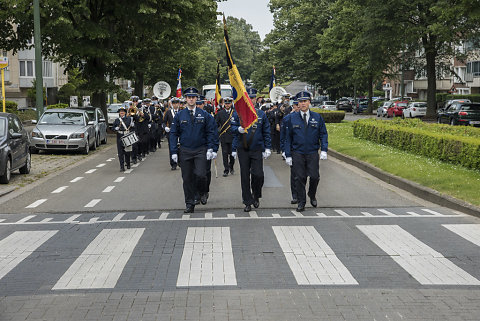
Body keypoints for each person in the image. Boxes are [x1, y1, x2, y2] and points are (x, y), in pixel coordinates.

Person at [169, 87, 218, 213]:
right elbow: (173, 134)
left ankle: (202, 191)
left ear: (196, 98)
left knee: (201, 174)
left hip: (200, 149)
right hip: (185, 150)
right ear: (185, 99)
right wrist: (174, 151)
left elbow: (210, 132)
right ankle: (189, 203)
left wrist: (211, 148)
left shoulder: (204, 115)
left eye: (193, 97)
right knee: (187, 178)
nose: (191, 99)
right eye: (188, 97)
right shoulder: (180, 115)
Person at [284, 91, 328, 212]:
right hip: (297, 152)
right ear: (298, 103)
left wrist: (324, 149)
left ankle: (312, 194)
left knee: (314, 177)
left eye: (305, 101)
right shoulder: (291, 118)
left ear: (309, 102)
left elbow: (323, 134)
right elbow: (287, 138)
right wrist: (287, 154)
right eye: (301, 102)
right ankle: (301, 202)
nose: (303, 104)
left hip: (312, 152)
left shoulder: (317, 117)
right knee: (300, 178)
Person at [231, 89, 272, 212]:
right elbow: (231, 128)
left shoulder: (261, 114)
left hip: (257, 149)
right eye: (249, 98)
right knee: (245, 176)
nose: (251, 100)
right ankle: (247, 201)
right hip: (243, 149)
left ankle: (256, 194)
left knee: (258, 174)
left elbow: (266, 132)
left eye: (253, 98)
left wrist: (268, 147)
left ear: (255, 100)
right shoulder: (238, 113)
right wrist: (238, 129)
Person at [194, 96, 218, 204]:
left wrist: (214, 149)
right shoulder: (188, 116)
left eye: (200, 104)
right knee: (194, 173)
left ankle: (204, 192)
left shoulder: (208, 117)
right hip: (192, 148)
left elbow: (214, 134)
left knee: (205, 173)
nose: (198, 106)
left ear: (203, 104)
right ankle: (196, 194)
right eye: (196, 104)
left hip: (205, 148)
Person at [280, 99, 300, 204]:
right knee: (295, 174)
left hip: (303, 149)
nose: (298, 107)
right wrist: (284, 150)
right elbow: (283, 135)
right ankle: (295, 195)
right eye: (296, 105)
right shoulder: (287, 118)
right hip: (292, 149)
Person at [216, 97, 235, 176]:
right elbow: (216, 124)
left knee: (232, 154)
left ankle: (231, 166)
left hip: (233, 136)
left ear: (231, 103)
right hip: (224, 136)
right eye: (226, 103)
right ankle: (226, 170)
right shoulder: (220, 113)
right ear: (224, 104)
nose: (227, 105)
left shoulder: (235, 113)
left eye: (229, 103)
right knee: (224, 153)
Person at [113, 107, 134, 172]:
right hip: (119, 136)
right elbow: (113, 128)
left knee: (127, 152)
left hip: (126, 136)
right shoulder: (117, 120)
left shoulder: (129, 119)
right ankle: (122, 166)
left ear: (125, 112)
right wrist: (115, 128)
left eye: (122, 111)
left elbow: (132, 128)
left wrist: (133, 125)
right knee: (120, 153)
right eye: (120, 112)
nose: (121, 113)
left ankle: (128, 164)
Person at [163, 97, 181, 170]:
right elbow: (163, 122)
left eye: (176, 103)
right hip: (171, 133)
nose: (175, 105)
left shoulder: (182, 111)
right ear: (171, 104)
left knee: (180, 148)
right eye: (173, 103)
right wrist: (165, 127)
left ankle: (180, 161)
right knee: (172, 148)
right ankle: (173, 164)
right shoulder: (168, 112)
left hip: (180, 132)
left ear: (179, 104)